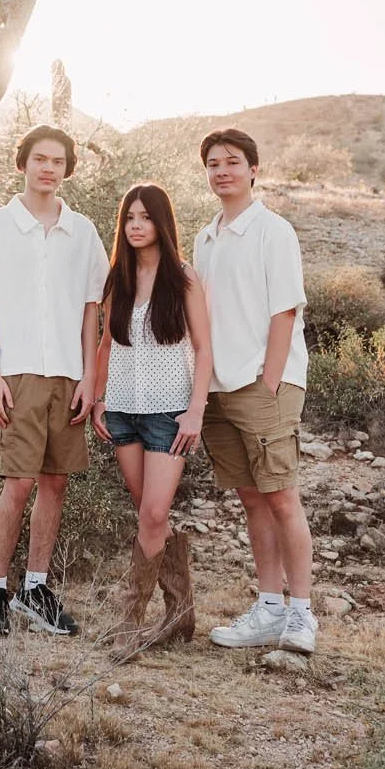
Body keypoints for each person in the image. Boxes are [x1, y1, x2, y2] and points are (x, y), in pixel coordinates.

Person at [0, 124, 109, 637]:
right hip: (17, 371)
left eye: (58, 161)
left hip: (68, 373)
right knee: (19, 482)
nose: (48, 168)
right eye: (40, 159)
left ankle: (35, 589)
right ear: (23, 163)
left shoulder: (83, 231)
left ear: (67, 169)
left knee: (56, 481)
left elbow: (93, 311)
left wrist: (90, 377)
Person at [193, 128, 318, 656]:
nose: (223, 170)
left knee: (282, 497)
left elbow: (285, 310)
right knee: (251, 499)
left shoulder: (274, 231)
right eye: (214, 163)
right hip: (221, 387)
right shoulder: (204, 238)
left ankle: (302, 615)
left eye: (233, 162)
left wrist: (269, 382)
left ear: (253, 170)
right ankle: (269, 607)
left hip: (265, 383)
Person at [93, 183, 212, 661]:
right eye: (129, 218)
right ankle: (180, 609)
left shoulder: (182, 278)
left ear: (162, 223)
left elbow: (204, 349)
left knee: (154, 515)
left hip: (169, 412)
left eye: (145, 217)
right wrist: (99, 399)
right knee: (148, 512)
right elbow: (106, 345)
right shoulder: (117, 278)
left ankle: (129, 619)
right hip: (122, 409)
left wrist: (196, 410)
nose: (136, 225)